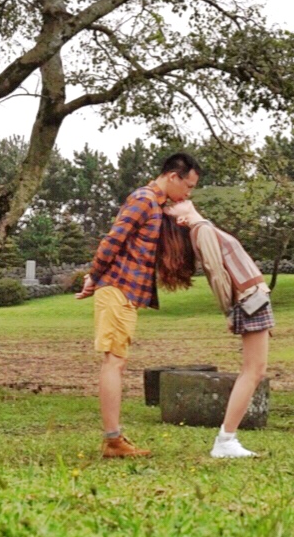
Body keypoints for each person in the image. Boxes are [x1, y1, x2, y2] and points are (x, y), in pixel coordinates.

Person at [76, 152, 202, 458]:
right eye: (189, 185)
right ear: (173, 176)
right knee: (114, 361)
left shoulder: (157, 206)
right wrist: (93, 276)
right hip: (117, 288)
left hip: (125, 292)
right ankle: (112, 441)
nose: (188, 193)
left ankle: (114, 438)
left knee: (117, 361)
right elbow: (113, 239)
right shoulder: (144, 199)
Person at [160, 196, 272, 459]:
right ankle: (225, 439)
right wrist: (230, 310)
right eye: (171, 204)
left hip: (253, 299)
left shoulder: (204, 228)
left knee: (255, 370)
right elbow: (216, 272)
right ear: (180, 219)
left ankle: (227, 439)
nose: (180, 199)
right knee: (253, 371)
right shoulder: (202, 231)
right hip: (248, 301)